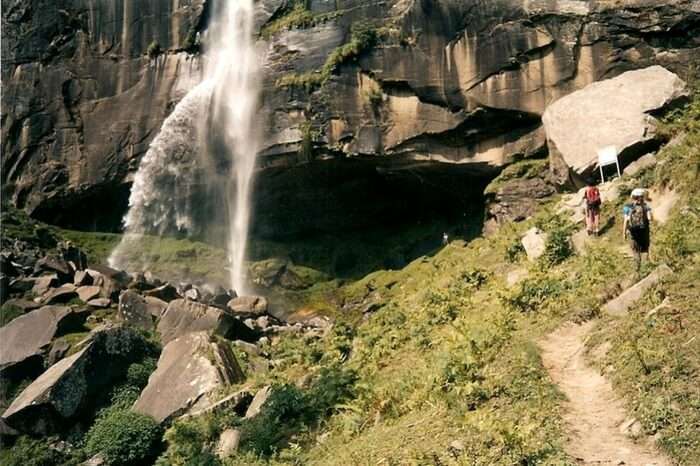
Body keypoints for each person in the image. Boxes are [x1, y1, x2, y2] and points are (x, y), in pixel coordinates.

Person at [623, 188, 653, 272]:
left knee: (635, 252)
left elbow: (626, 221)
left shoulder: (627, 207)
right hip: (644, 231)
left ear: (632, 197)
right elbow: (650, 218)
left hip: (632, 232)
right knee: (645, 249)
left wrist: (624, 233)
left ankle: (637, 271)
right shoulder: (646, 206)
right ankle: (646, 269)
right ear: (642, 197)